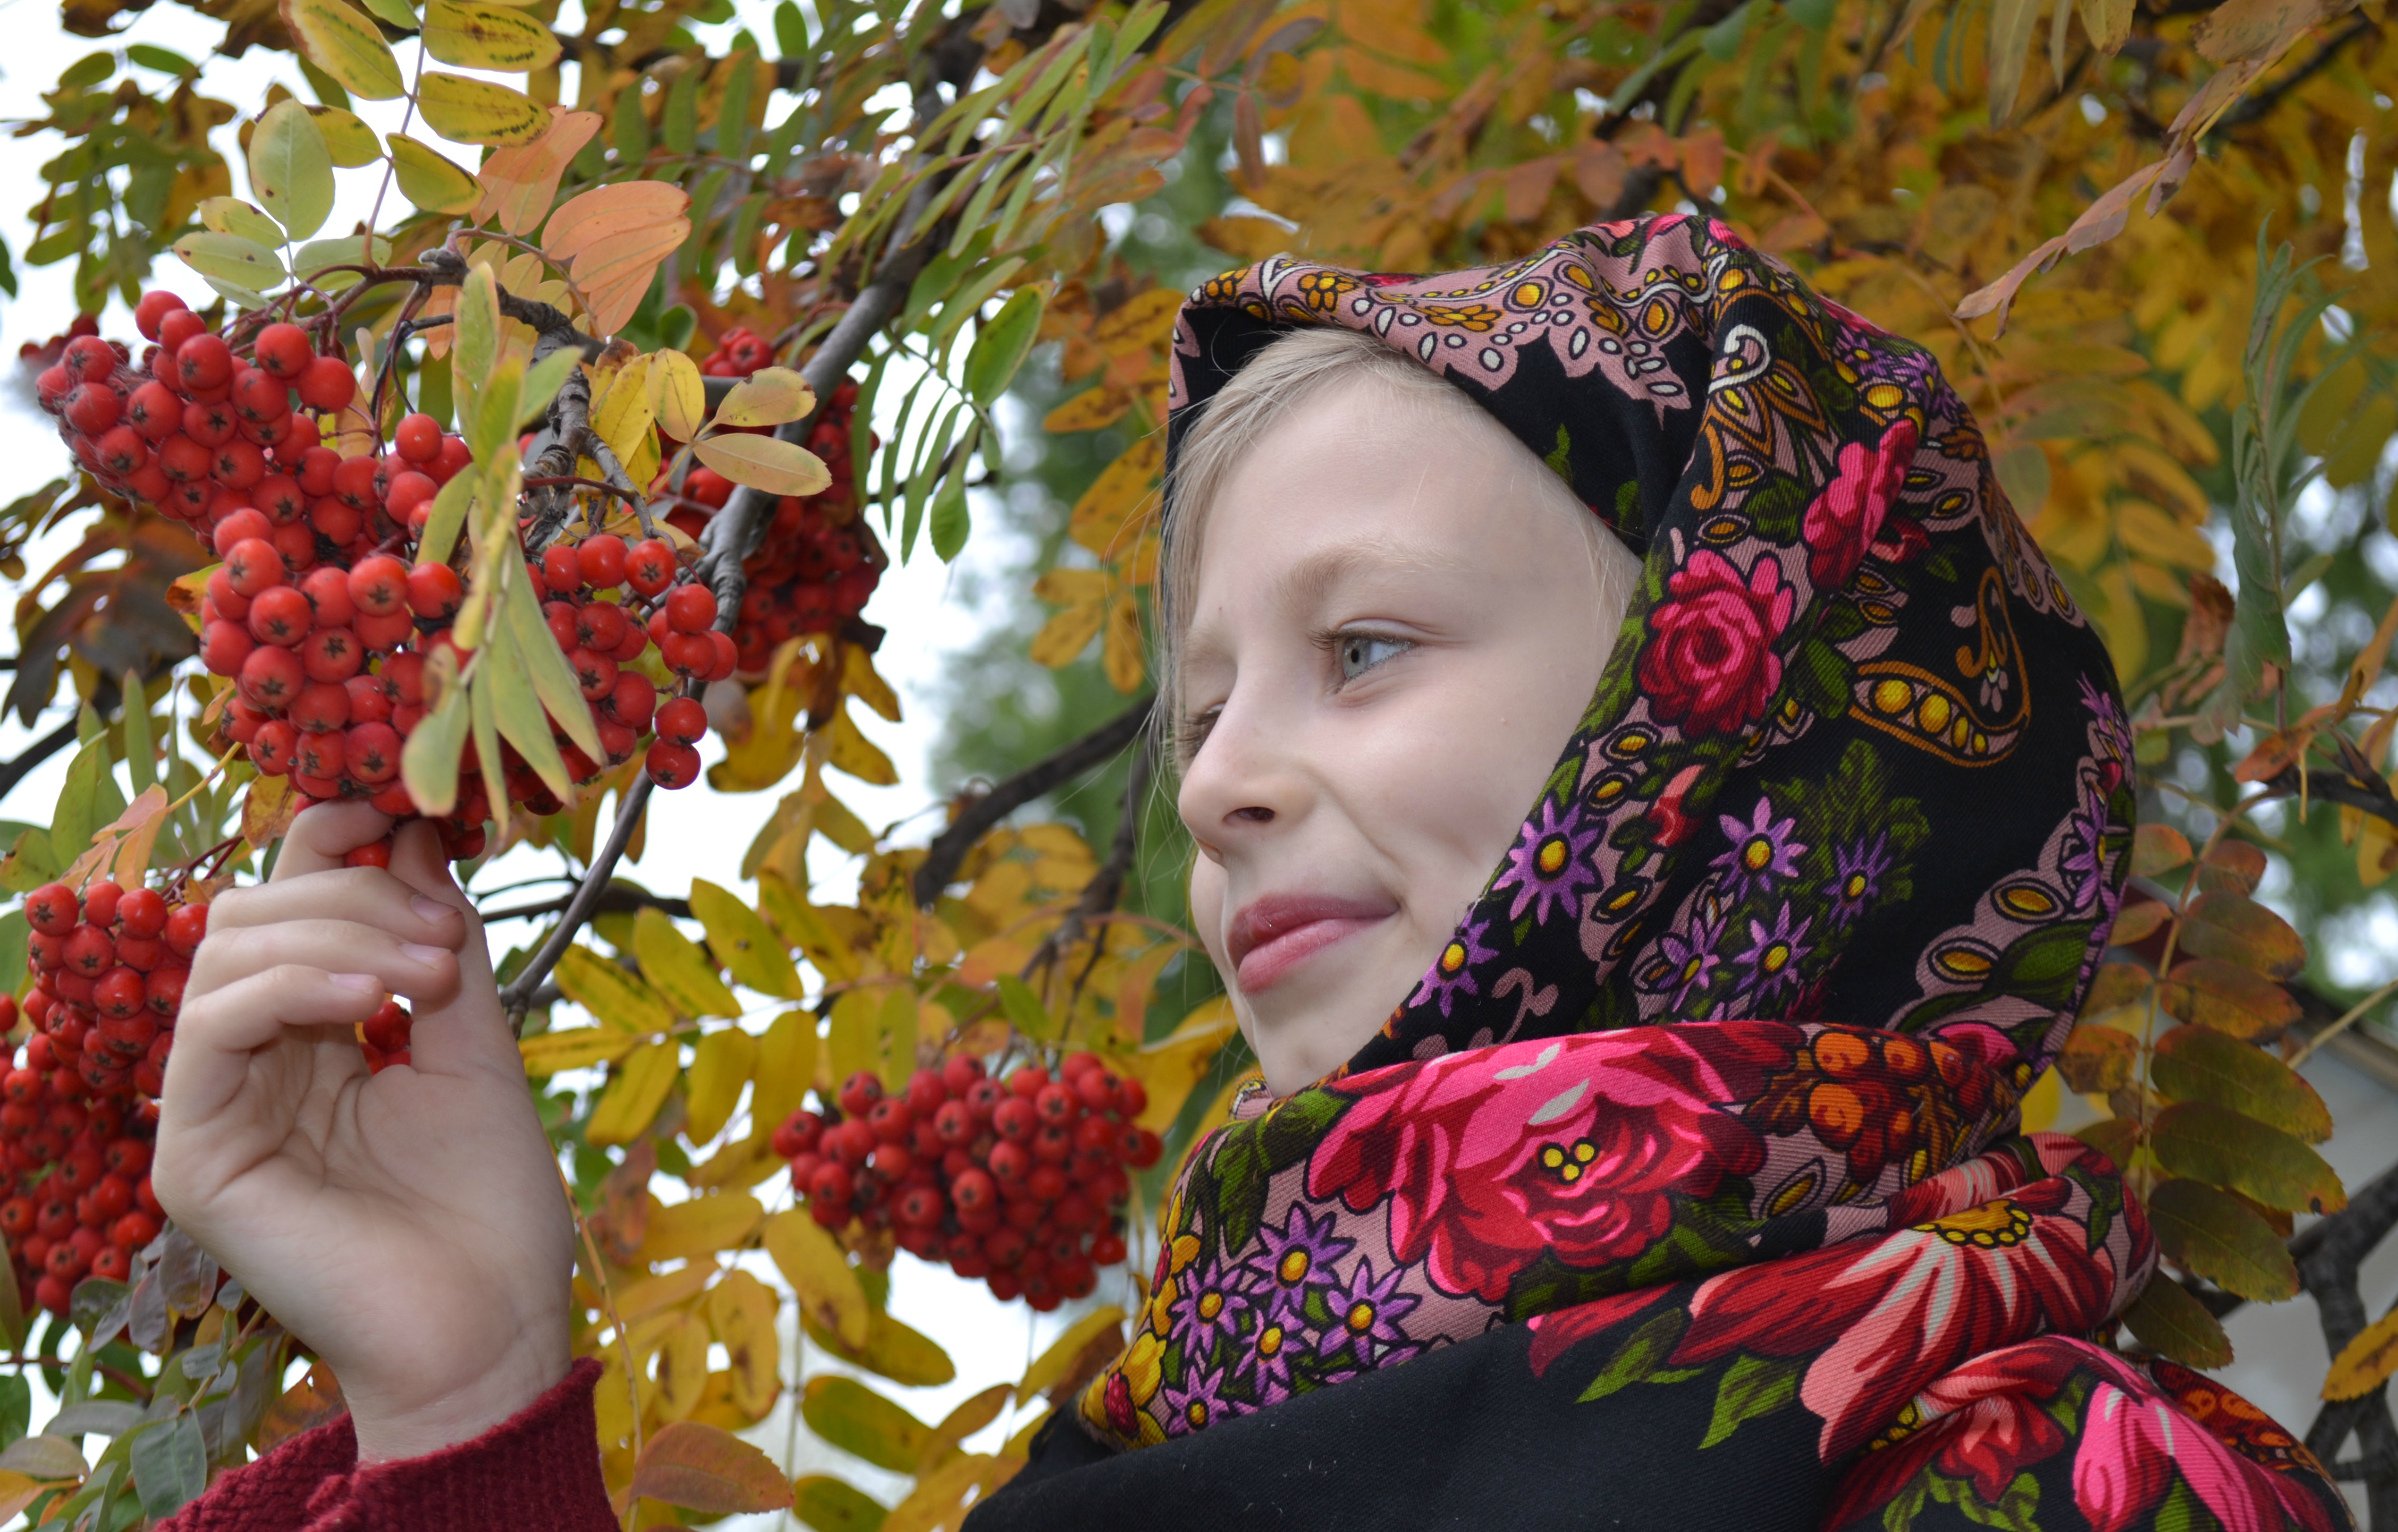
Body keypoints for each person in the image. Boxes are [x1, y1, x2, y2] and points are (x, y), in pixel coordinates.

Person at [151, 211, 2350, 1531]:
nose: (1211, 790)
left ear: (1726, 705)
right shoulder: (1139, 1438)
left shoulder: (2044, 1478)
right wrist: (463, 1401)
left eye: (1361, 648)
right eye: (1197, 709)